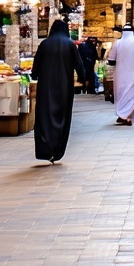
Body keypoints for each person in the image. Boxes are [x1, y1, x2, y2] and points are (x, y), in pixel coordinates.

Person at [30, 20, 89, 163]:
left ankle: (45, 149)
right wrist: (83, 80)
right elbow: (79, 64)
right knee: (63, 116)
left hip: (46, 87)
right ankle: (57, 150)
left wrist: (35, 75)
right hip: (64, 87)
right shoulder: (69, 44)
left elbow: (36, 66)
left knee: (44, 116)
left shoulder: (45, 44)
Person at [107, 25, 134, 125]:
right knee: (131, 94)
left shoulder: (118, 43)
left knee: (121, 94)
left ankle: (123, 115)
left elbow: (111, 59)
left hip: (120, 74)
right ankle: (127, 116)